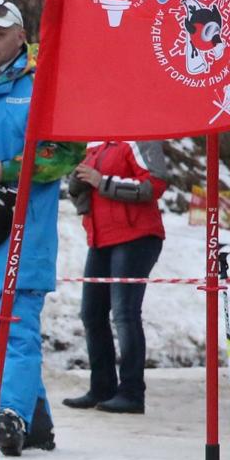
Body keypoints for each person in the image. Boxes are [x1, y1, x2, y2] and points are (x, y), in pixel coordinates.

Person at [0, 0, 85, 455]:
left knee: (16, 322)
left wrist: (6, 171)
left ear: (19, 37)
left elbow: (65, 154)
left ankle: (8, 418)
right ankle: (36, 419)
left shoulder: (41, 83)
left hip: (26, 223)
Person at [60, 140, 169, 414]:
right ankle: (102, 388)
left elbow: (154, 184)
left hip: (136, 237)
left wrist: (101, 180)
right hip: (100, 238)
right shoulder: (95, 144)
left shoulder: (140, 137)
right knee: (91, 314)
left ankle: (132, 392)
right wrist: (77, 185)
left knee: (125, 313)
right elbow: (87, 195)